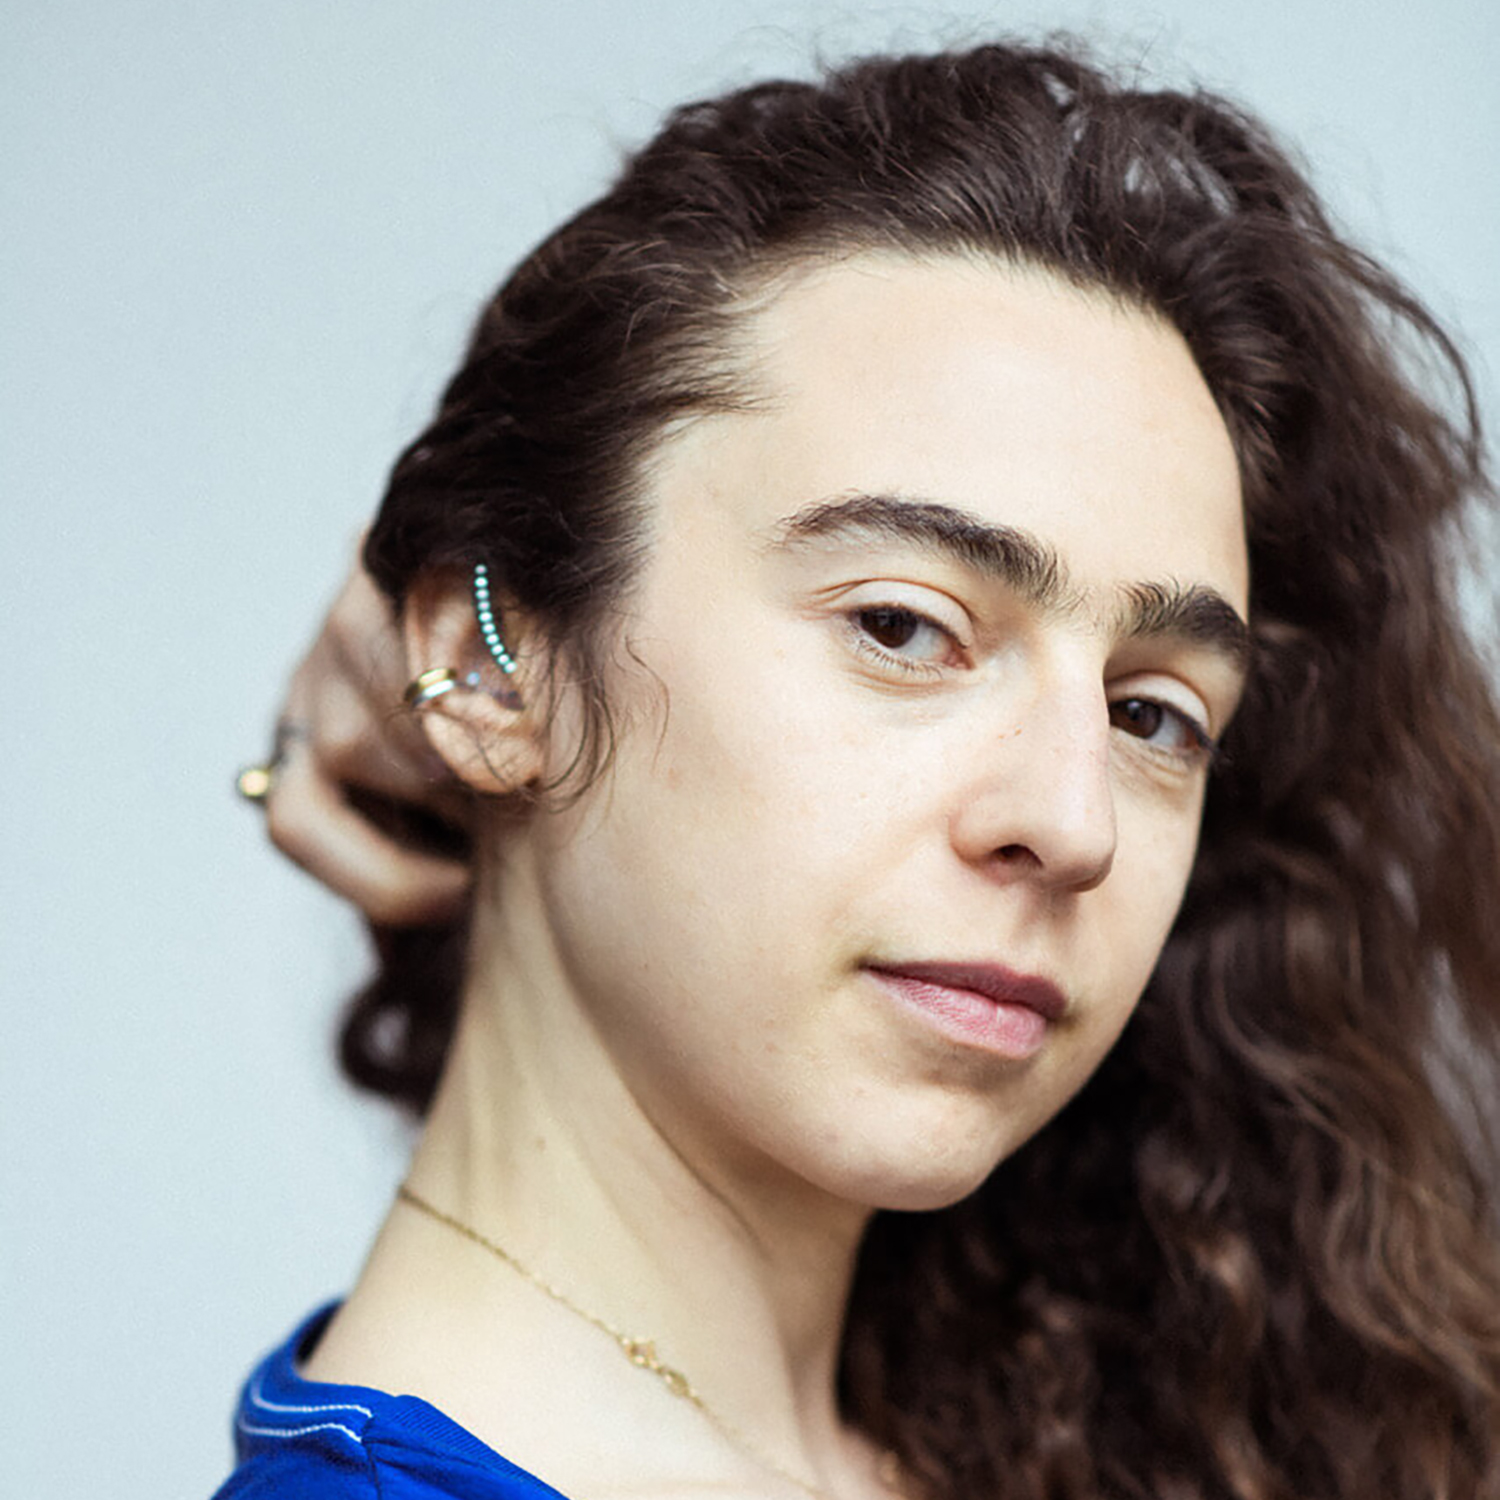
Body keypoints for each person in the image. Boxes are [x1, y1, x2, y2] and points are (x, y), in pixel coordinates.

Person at [220, 38, 1500, 1500]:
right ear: (492, 667)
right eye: (904, 626)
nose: (1073, 820)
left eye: (1153, 715)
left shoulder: (1109, 1433)